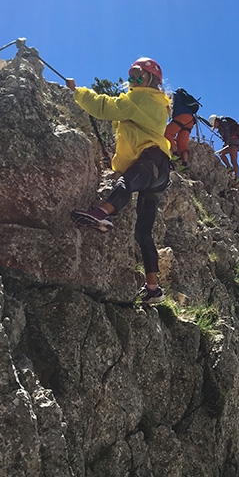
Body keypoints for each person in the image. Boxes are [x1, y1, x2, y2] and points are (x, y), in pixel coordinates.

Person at [68, 57, 172, 303]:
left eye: (139, 76)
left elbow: (106, 107)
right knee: (143, 233)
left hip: (151, 160)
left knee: (126, 183)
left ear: (151, 80)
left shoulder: (140, 98)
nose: (134, 81)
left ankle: (103, 212)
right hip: (160, 171)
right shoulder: (156, 102)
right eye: (132, 76)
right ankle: (153, 287)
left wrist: (77, 92)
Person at [163, 88, 200, 169]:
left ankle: (175, 154)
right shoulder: (185, 100)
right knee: (182, 141)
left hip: (182, 116)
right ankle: (184, 164)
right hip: (190, 120)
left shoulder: (174, 95)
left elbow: (169, 105)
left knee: (167, 132)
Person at [211, 115, 239, 183]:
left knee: (233, 161)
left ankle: (237, 178)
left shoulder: (224, 123)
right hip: (233, 143)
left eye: (215, 124)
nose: (215, 126)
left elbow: (227, 131)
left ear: (216, 120)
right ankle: (229, 168)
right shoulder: (221, 124)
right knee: (222, 154)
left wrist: (227, 141)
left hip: (233, 142)